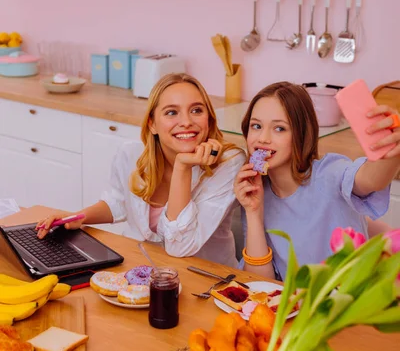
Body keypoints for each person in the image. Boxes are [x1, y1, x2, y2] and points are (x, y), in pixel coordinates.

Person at [37, 73, 245, 267]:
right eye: (172, 112)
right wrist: (79, 217)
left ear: (209, 120)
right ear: (152, 124)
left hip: (206, 279)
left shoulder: (229, 163)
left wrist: (183, 167)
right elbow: (118, 202)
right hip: (139, 266)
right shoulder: (131, 153)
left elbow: (180, 246)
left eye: (197, 110)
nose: (186, 122)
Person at [234, 81, 400, 280]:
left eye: (279, 129)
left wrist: (391, 149)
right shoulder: (256, 193)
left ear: (302, 134)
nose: (262, 138)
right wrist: (253, 212)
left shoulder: (329, 173)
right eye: (256, 126)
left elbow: (371, 180)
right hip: (296, 308)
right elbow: (259, 282)